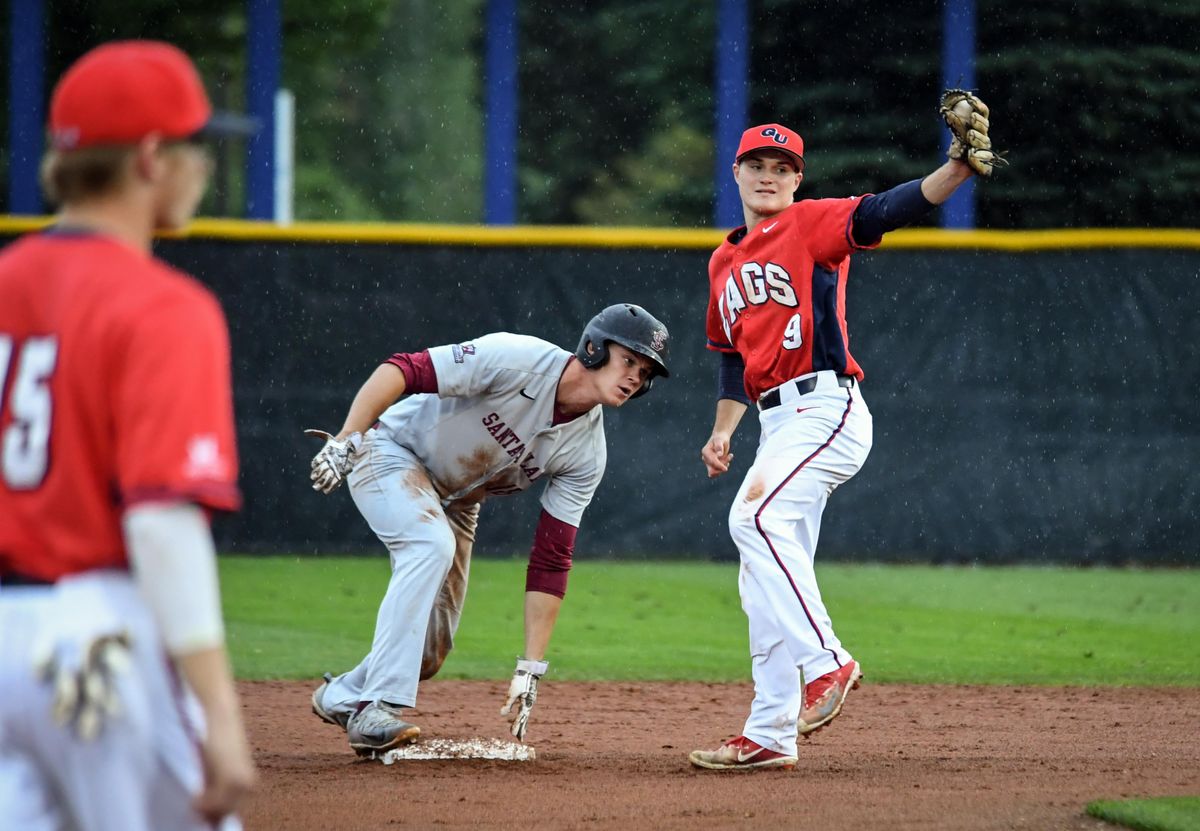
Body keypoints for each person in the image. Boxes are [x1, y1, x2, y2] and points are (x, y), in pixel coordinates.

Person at [0, 41, 257, 827]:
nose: (203, 169)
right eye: (196, 149)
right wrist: (219, 708)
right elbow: (159, 520)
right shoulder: (164, 307)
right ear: (152, 158)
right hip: (91, 639)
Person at [689, 116, 984, 771]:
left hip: (826, 409)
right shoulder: (724, 260)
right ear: (735, 172)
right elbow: (731, 357)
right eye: (758, 164)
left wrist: (955, 173)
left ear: (799, 180)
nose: (770, 175)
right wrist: (722, 430)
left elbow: (883, 210)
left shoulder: (809, 223)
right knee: (759, 576)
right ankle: (770, 733)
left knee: (754, 518)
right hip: (773, 425)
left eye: (784, 167)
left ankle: (828, 663)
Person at [306, 303, 671, 755]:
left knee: (430, 650)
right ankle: (375, 707)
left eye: (646, 370)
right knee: (429, 545)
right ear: (594, 348)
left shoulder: (587, 454)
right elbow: (403, 369)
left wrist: (531, 666)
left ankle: (341, 696)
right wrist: (348, 438)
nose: (636, 376)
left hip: (458, 504)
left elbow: (551, 558)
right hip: (391, 451)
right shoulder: (516, 359)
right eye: (629, 360)